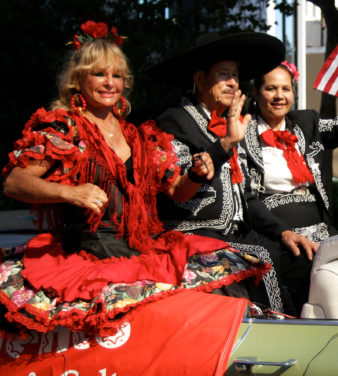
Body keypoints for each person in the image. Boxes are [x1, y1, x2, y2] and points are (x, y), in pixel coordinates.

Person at [0, 22, 267, 336]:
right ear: (78, 78)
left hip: (141, 251)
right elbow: (14, 183)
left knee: (231, 275)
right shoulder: (65, 128)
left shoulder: (137, 135)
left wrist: (203, 166)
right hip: (91, 257)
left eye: (116, 76)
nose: (109, 83)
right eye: (99, 74)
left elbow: (178, 192)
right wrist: (71, 193)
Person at [152, 33, 316, 315]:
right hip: (193, 231)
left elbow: (248, 198)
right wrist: (225, 144)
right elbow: (176, 192)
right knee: (261, 257)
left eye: (236, 76)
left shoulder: (232, 122)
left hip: (234, 232)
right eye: (224, 75)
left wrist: (284, 231)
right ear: (201, 79)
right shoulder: (175, 121)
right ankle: (275, 333)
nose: (232, 83)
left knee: (301, 256)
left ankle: (312, 336)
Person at [246, 61, 338, 243]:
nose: (279, 96)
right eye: (271, 88)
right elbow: (245, 197)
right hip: (275, 235)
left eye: (286, 89)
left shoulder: (306, 123)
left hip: (321, 228)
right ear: (256, 92)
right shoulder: (242, 132)